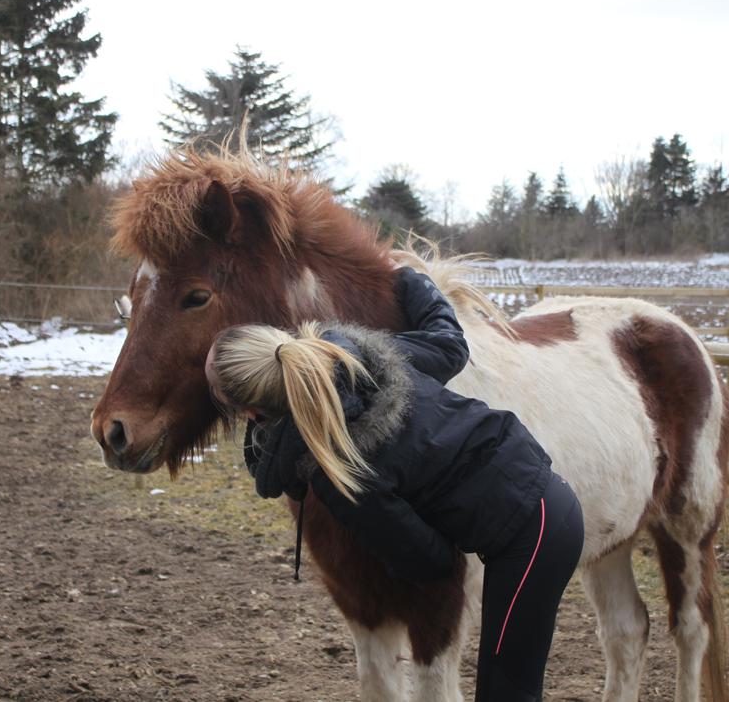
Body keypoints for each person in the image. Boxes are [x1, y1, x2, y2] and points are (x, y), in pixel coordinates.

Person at [204, 267, 584, 701]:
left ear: (252, 414)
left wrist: (429, 518)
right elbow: (448, 344)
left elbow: (432, 563)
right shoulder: (362, 358)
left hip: (534, 536)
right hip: (542, 507)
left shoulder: (338, 472)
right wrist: (413, 281)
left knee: (507, 693)